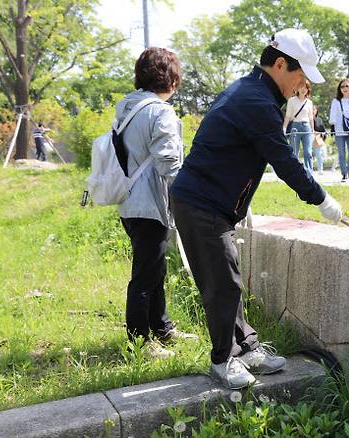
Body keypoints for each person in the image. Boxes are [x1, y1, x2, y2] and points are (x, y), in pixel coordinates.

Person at [170, 28, 343, 390]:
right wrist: (321, 199)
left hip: (209, 201)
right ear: (280, 64)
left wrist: (290, 108)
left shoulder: (254, 93)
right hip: (201, 202)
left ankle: (246, 348)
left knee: (227, 276)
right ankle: (222, 360)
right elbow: (285, 160)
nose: (301, 85)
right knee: (222, 282)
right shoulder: (255, 101)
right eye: (300, 76)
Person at [117, 47, 196, 359]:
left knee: (154, 268)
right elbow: (168, 163)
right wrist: (188, 196)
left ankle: (161, 327)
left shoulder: (127, 107)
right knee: (146, 275)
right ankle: (139, 343)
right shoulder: (160, 111)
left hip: (129, 202)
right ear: (172, 80)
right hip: (149, 202)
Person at [330, 78, 349, 182]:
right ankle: (344, 173)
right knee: (341, 153)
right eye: (342, 86)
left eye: (347, 86)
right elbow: (332, 115)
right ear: (339, 88)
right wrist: (332, 128)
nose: (345, 88)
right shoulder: (336, 101)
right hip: (339, 130)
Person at [283, 79, 314, 173]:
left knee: (308, 152)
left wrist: (313, 130)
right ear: (297, 88)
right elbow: (288, 116)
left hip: (306, 127)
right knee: (294, 151)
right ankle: (295, 172)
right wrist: (284, 128)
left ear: (308, 89)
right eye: (301, 87)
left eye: (306, 87)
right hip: (295, 127)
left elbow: (311, 117)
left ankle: (309, 173)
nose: (303, 89)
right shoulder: (292, 100)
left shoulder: (309, 102)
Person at [312, 105, 327, 174]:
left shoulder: (319, 120)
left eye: (314, 109)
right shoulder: (306, 119)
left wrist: (320, 135)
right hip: (309, 138)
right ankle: (309, 169)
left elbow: (323, 130)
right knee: (309, 155)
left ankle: (320, 169)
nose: (313, 111)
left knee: (319, 155)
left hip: (318, 139)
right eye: (311, 109)